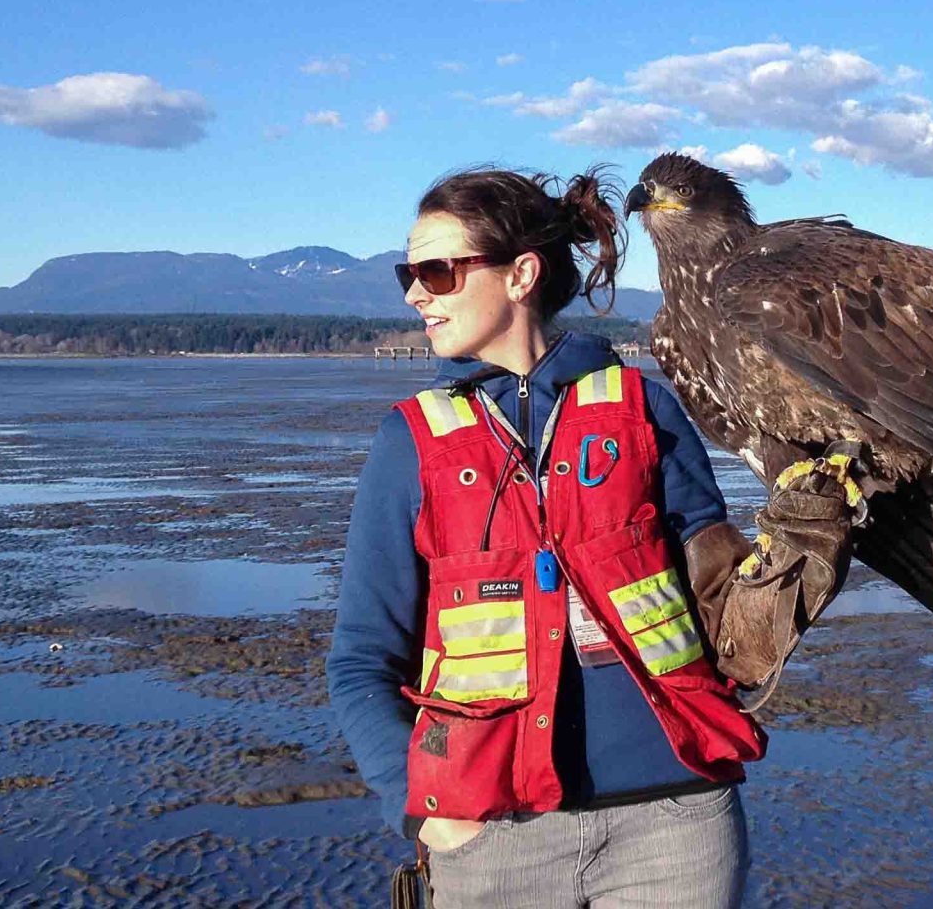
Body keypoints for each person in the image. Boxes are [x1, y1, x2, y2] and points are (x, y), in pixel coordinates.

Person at [327, 166, 853, 908]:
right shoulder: (413, 442)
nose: (416, 294)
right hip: (491, 839)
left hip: (675, 828)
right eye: (408, 275)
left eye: (437, 272)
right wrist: (417, 804)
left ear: (521, 275)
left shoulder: (642, 408)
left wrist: (793, 560)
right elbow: (359, 660)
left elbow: (720, 611)